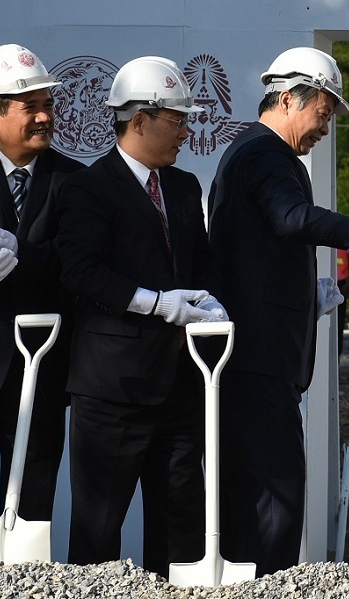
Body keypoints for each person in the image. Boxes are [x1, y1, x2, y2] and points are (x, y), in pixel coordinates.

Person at [207, 46, 349, 575]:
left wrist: (304, 297)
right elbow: (290, 217)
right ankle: (270, 585)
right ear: (286, 99)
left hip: (255, 356)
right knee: (274, 498)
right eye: (322, 113)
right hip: (260, 360)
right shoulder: (266, 154)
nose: (325, 128)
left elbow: (266, 247)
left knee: (257, 496)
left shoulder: (252, 152)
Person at [56, 56, 228, 578]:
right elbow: (81, 271)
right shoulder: (88, 187)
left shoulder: (183, 186)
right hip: (113, 389)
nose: (185, 132)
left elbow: (202, 262)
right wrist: (155, 302)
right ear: (139, 121)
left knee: (182, 525)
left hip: (179, 385)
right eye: (176, 120)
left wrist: (212, 301)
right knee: (98, 528)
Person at [0, 44, 84, 562]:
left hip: (42, 373)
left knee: (32, 510)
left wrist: (22, 256)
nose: (45, 117)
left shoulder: (75, 182)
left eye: (48, 104)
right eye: (30, 107)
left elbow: (79, 264)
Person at [336, 246, 349, 354]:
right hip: (323, 280)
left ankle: (337, 356)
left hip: (341, 284)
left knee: (339, 324)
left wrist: (348, 284)